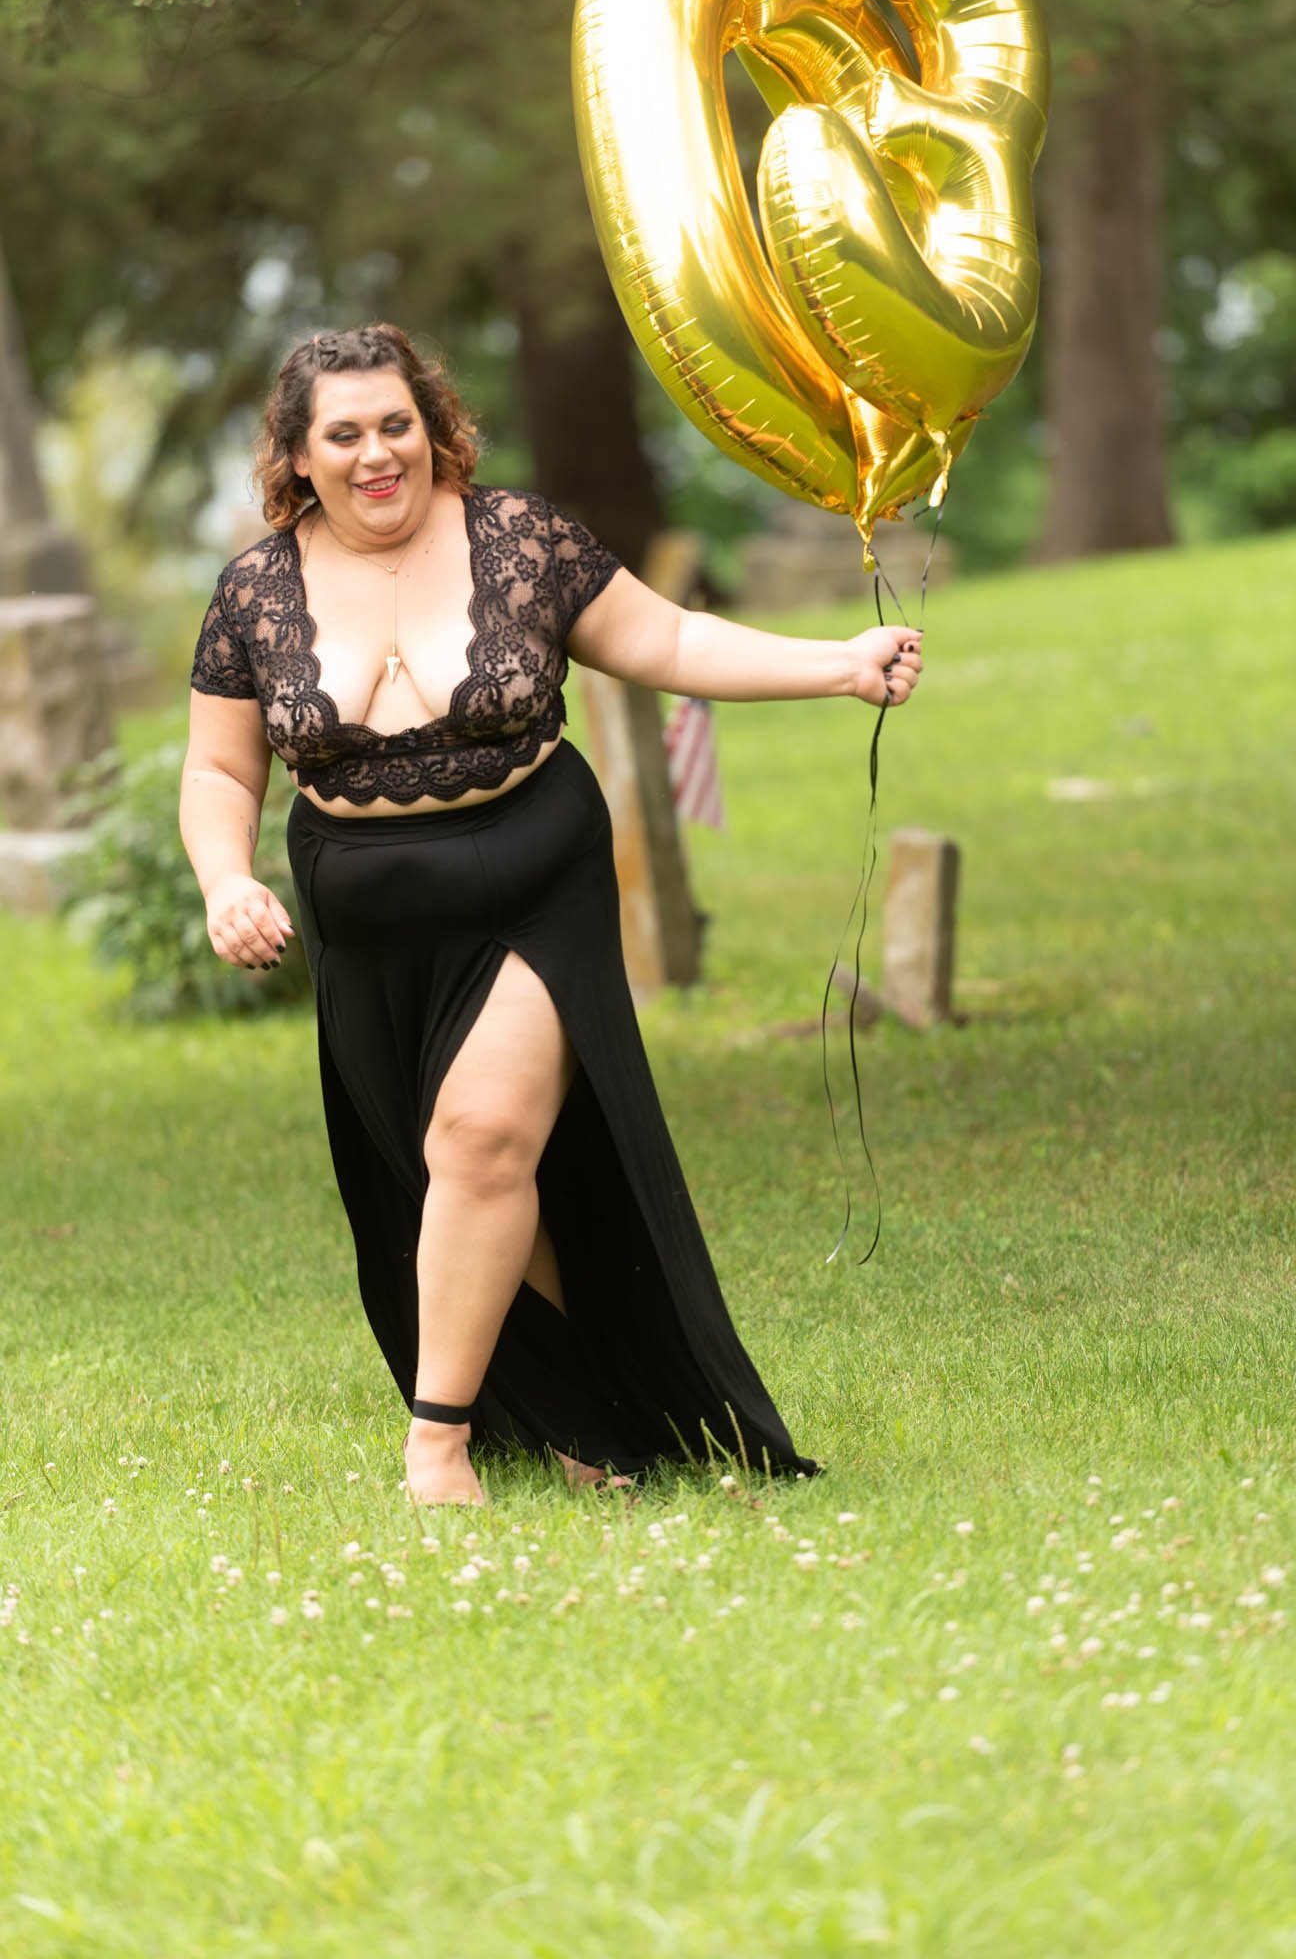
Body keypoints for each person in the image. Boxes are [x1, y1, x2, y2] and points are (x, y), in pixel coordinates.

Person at [180, 322, 924, 1507]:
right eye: (345, 435)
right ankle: (584, 1409)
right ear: (296, 454)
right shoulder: (256, 592)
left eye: (395, 425)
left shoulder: (518, 539)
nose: (378, 455)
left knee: (480, 1136)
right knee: (467, 1172)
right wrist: (227, 879)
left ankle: (437, 1445)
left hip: (533, 881)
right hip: (363, 922)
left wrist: (834, 662)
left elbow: (664, 639)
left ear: (432, 427)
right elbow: (222, 775)